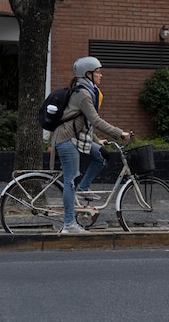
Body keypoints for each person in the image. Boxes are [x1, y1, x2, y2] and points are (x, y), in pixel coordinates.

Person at [53, 56, 129, 233]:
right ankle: (69, 224)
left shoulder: (87, 91)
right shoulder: (83, 93)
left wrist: (96, 140)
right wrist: (120, 133)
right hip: (66, 139)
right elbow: (95, 120)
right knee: (70, 180)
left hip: (77, 137)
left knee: (101, 155)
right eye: (97, 72)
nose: (101, 75)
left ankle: (84, 188)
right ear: (87, 74)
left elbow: (83, 122)